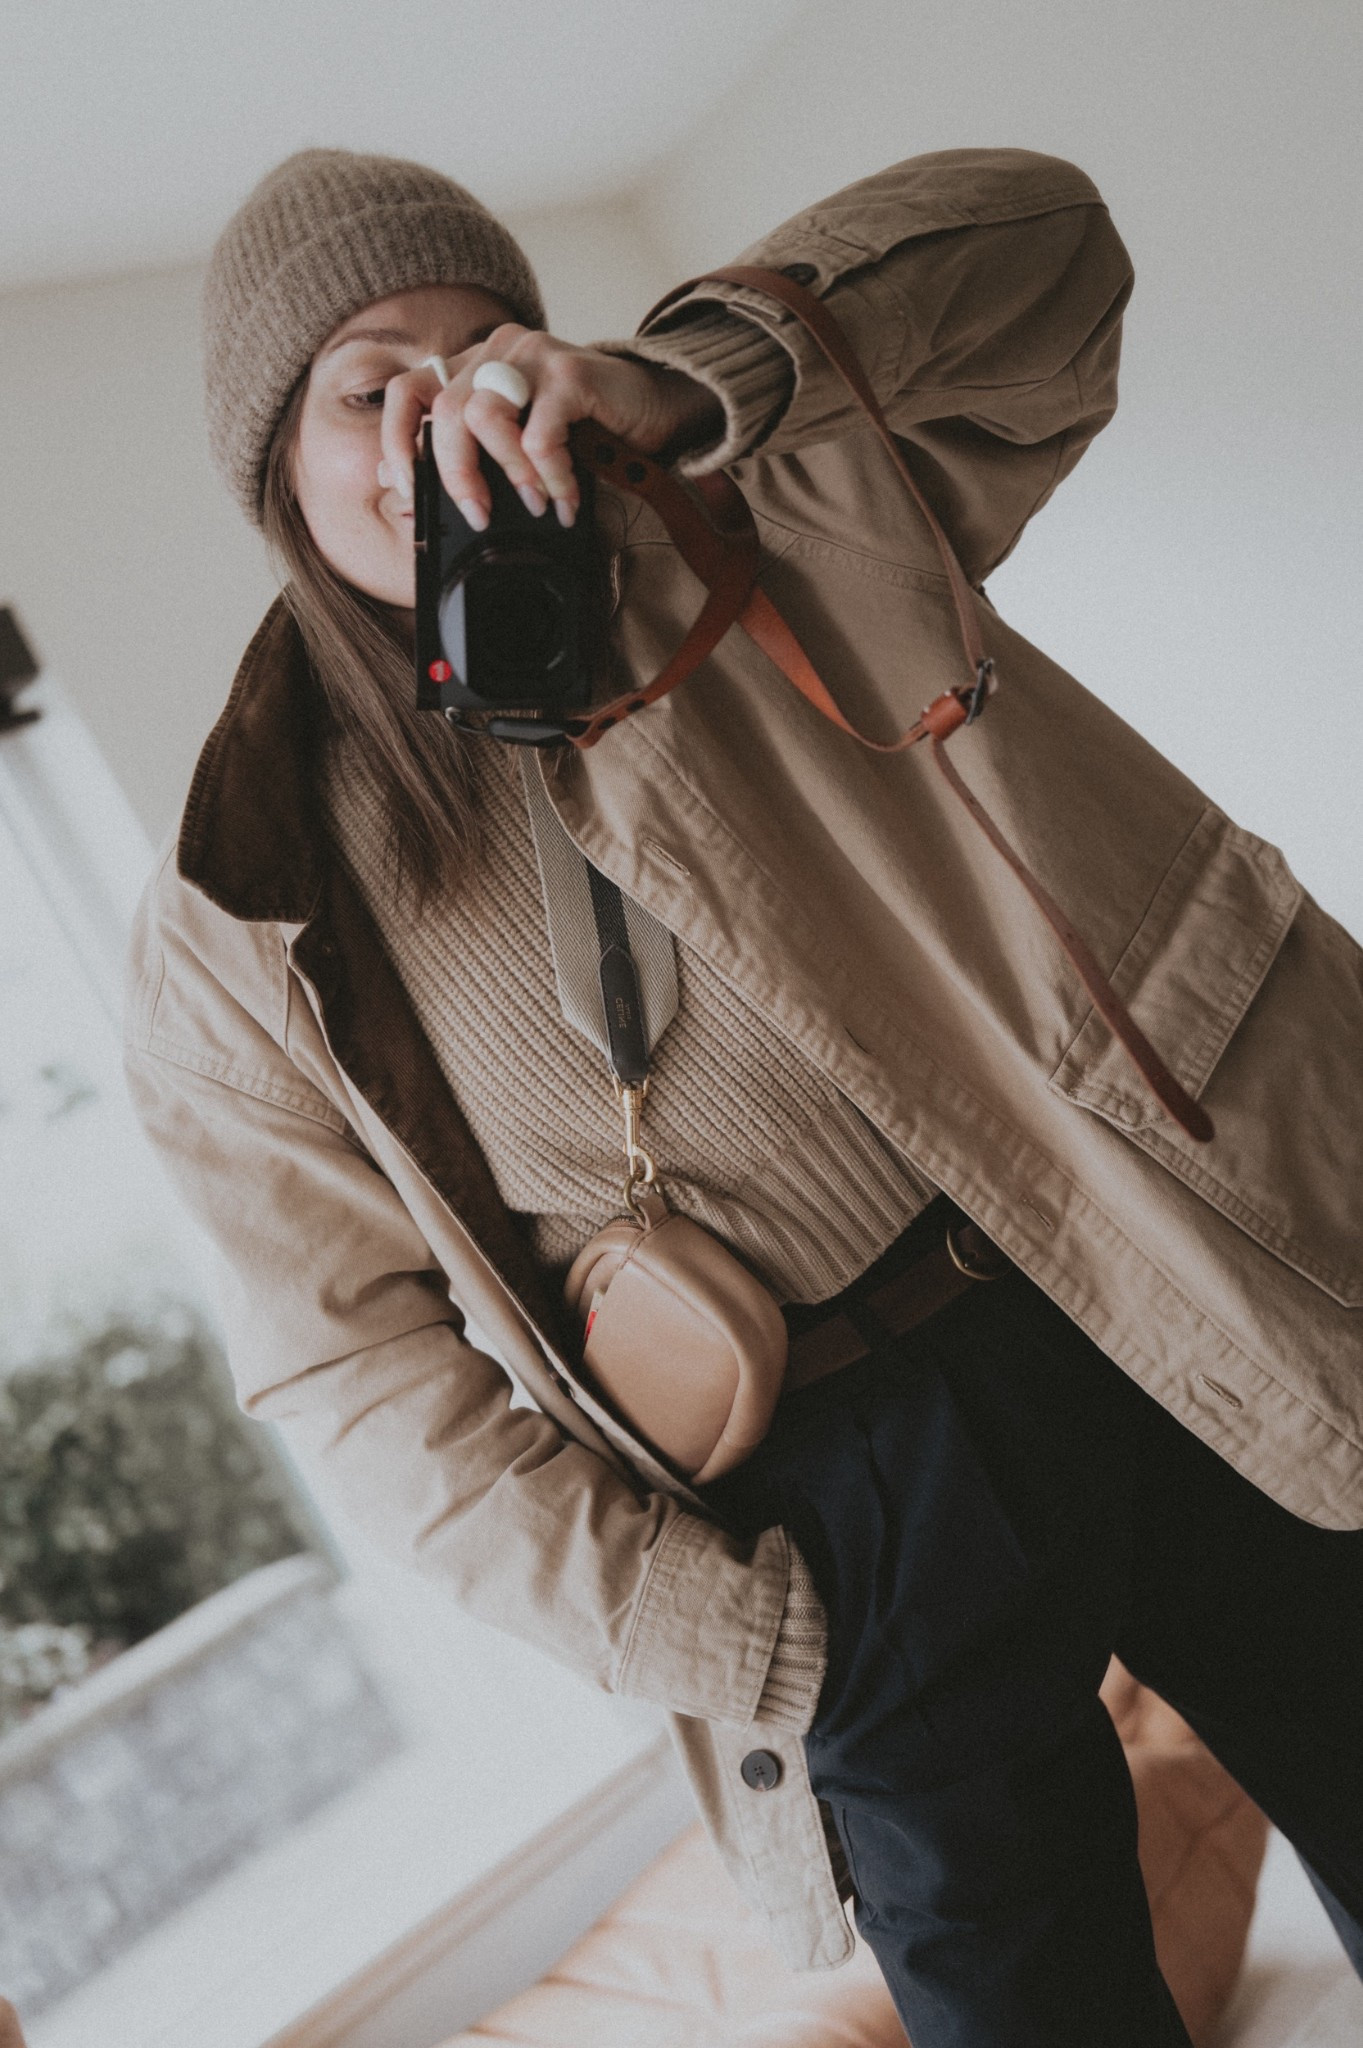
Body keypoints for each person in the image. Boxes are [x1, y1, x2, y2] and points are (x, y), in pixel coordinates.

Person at [124, 145, 1363, 2048]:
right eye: (373, 384)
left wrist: (696, 379)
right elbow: (348, 1369)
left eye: (484, 348)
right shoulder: (240, 889)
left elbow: (1052, 255)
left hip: (1121, 1280)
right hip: (845, 1503)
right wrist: (729, 1638)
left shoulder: (743, 517)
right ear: (276, 467)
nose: (439, 417)